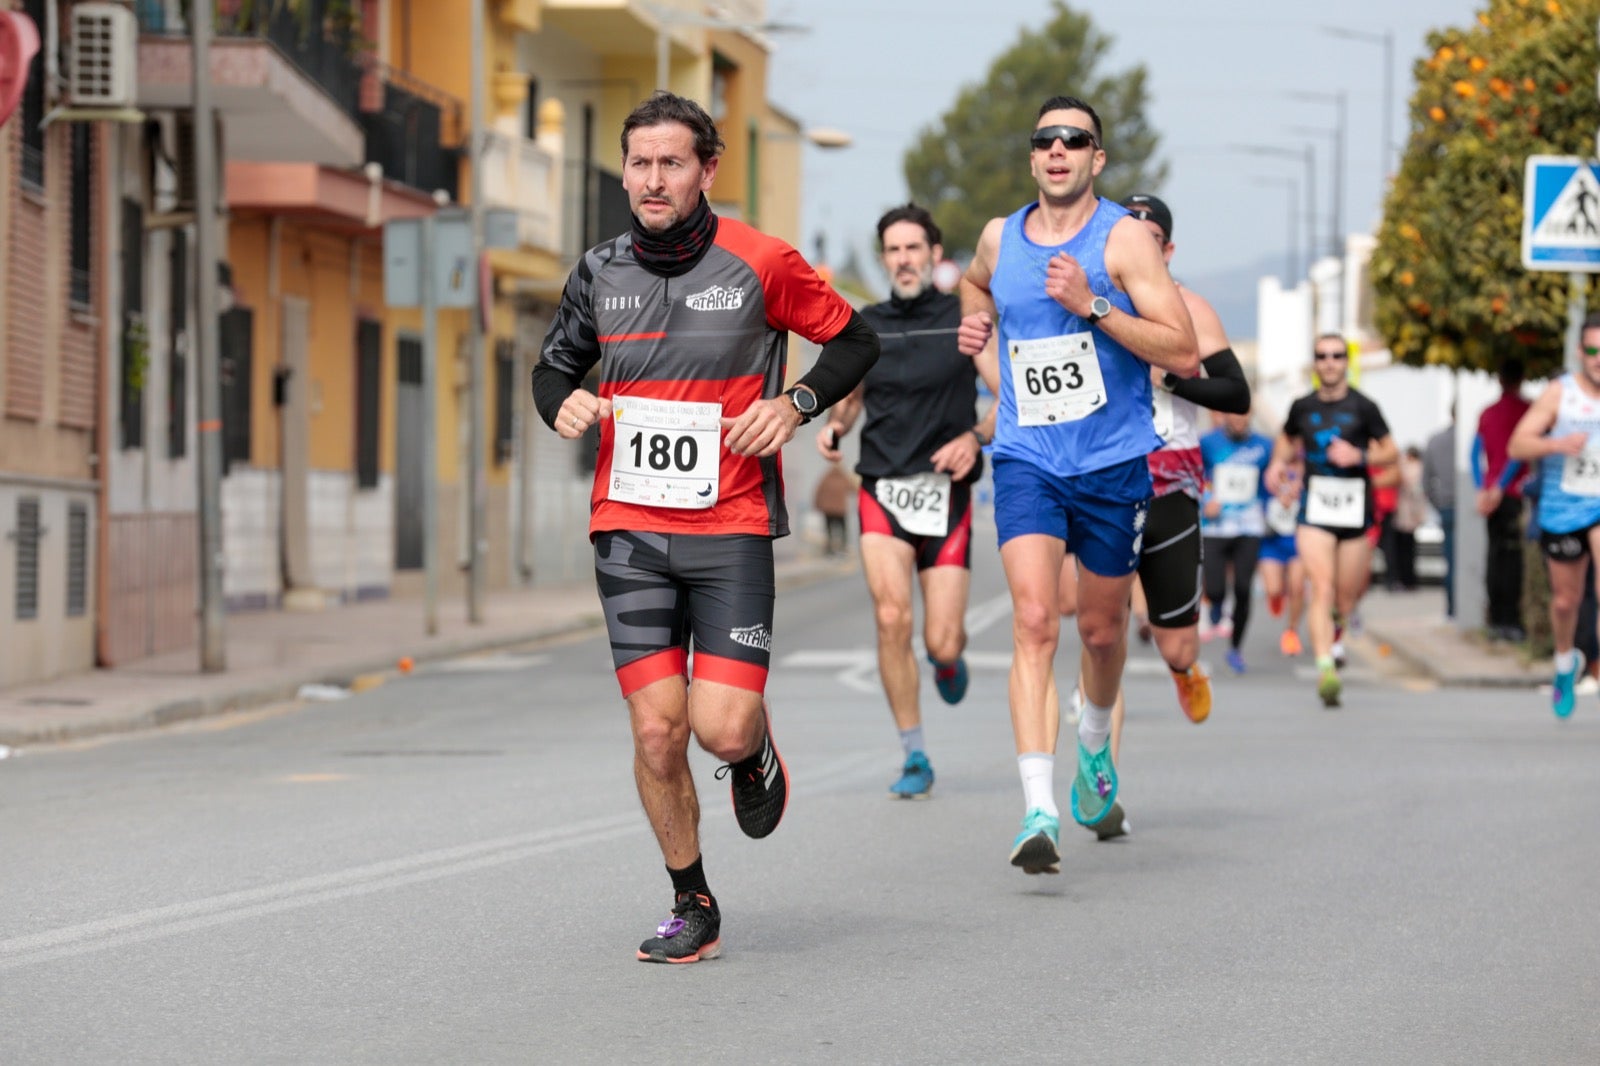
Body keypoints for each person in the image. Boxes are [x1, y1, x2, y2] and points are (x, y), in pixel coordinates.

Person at [532, 92, 879, 963]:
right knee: (657, 729)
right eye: (640, 163)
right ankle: (693, 902)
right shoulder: (598, 270)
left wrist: (796, 404)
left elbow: (854, 341)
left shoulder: (761, 260)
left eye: (672, 163)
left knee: (720, 726)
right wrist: (564, 403)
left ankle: (754, 752)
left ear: (706, 170)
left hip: (731, 523)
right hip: (630, 527)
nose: (653, 180)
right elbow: (553, 367)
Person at [957, 96, 1199, 874]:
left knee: (1100, 632)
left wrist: (1091, 305)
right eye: (1045, 140)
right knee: (1033, 621)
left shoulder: (1123, 242)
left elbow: (1184, 351)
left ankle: (1094, 740)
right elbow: (973, 287)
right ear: (1032, 158)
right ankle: (1038, 807)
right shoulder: (1001, 236)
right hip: (1028, 456)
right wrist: (983, 351)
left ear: (1097, 159)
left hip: (1111, 464)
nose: (1059, 150)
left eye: (1077, 140)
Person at [817, 203, 988, 799]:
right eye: (893, 250)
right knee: (892, 618)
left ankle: (947, 659)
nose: (904, 259)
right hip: (883, 488)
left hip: (947, 493)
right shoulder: (868, 323)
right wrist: (837, 426)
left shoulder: (965, 318)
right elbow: (852, 394)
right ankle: (914, 753)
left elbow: (1011, 393)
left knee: (941, 639)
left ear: (935, 255)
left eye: (914, 248)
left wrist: (975, 438)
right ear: (885, 257)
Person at [1266, 335, 1398, 708]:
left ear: (1346, 362)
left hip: (1355, 511)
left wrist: (1358, 455)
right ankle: (1326, 666)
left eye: (1337, 356)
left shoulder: (1364, 406)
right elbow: (1286, 440)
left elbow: (1391, 453)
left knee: (1344, 597)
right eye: (1322, 356)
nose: (1329, 362)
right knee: (1321, 588)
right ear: (1315, 363)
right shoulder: (1302, 406)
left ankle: (1336, 633)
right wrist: (1278, 464)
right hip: (1315, 510)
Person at [1507, 312, 1600, 719]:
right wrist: (1557, 444)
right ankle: (1566, 663)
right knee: (1566, 601)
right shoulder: (1559, 394)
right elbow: (1517, 446)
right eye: (1594, 350)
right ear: (1581, 352)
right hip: (1563, 509)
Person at [1200, 409, 1275, 674]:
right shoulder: (1208, 442)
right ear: (1224, 416)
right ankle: (1216, 606)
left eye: (1244, 414)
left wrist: (1279, 497)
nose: (1239, 420)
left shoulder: (1265, 446)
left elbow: (1273, 481)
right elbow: (1197, 476)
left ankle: (1235, 648)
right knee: (1216, 588)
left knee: (1244, 589)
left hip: (1249, 526)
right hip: (1216, 526)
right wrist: (1206, 501)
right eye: (1233, 413)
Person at [1475, 361, 1531, 641]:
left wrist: (1481, 488)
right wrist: (1499, 487)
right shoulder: (1527, 410)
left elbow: (1474, 454)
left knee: (1494, 556)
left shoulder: (1487, 412)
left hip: (1489, 494)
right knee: (1513, 559)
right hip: (1511, 494)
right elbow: (1517, 453)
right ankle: (1511, 621)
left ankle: (1496, 620)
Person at [1258, 452, 1308, 657]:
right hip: (1272, 541)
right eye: (1288, 462)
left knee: (1297, 587)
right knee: (1273, 589)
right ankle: (1276, 595)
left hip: (1298, 541)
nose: (1292, 468)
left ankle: (1291, 631)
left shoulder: (1307, 479)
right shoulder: (1268, 477)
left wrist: (1299, 494)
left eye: (1296, 463)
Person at [1421, 410, 1457, 619]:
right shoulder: (1470, 438)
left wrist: (1439, 503)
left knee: (1451, 560)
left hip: (1446, 506)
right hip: (1467, 508)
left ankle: (1452, 609)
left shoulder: (1435, 441)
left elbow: (1426, 482)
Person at [814, 461, 853, 556]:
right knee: (843, 529)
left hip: (828, 510)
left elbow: (818, 491)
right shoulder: (844, 478)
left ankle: (829, 549)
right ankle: (843, 547)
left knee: (829, 529)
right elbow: (853, 488)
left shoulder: (826, 477)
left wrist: (817, 505)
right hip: (840, 510)